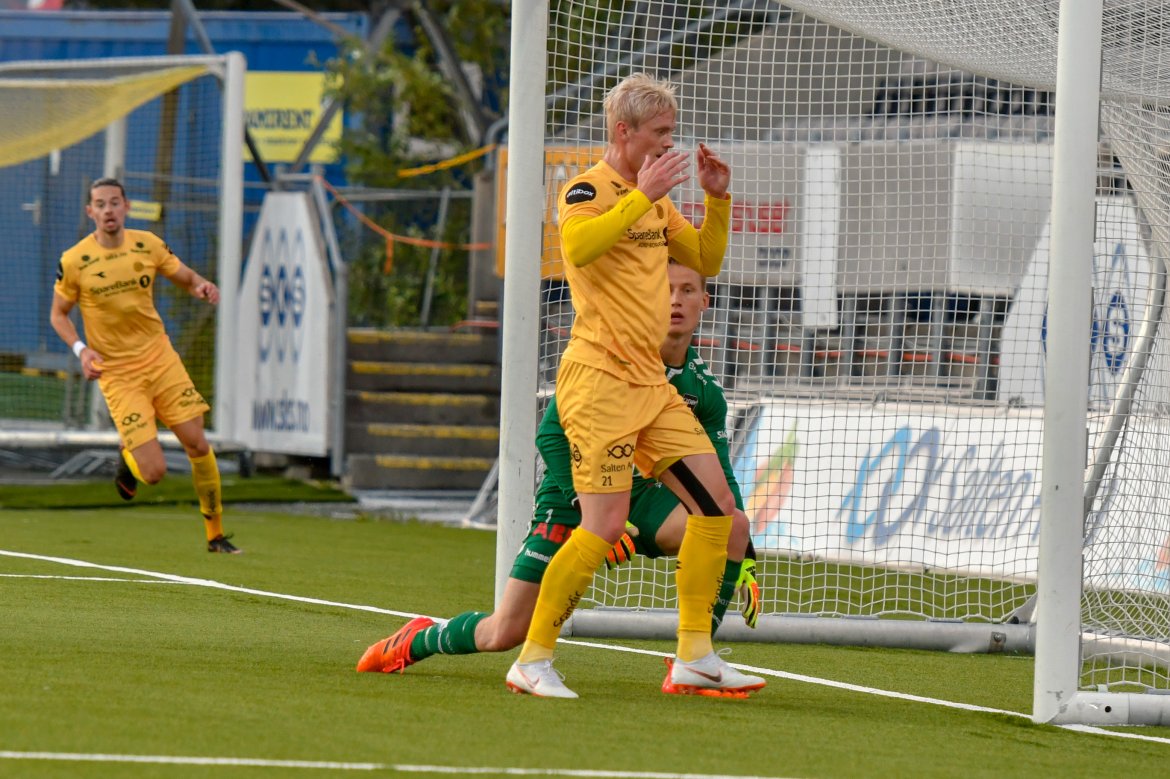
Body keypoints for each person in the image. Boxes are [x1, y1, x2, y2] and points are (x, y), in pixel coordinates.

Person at [357, 261, 761, 696]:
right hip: (573, 493)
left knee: (732, 525)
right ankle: (420, 638)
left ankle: (695, 661)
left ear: (706, 301)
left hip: (644, 498)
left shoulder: (704, 390)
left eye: (687, 291)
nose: (676, 300)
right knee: (504, 632)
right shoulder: (614, 363)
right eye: (666, 290)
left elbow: (719, 478)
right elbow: (551, 436)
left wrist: (744, 559)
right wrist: (596, 510)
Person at [511, 72, 762, 698]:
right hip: (597, 382)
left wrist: (718, 199)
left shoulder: (657, 199)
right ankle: (532, 660)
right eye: (659, 134)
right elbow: (580, 246)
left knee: (719, 510)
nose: (668, 145)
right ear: (624, 132)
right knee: (601, 525)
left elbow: (703, 260)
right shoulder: (587, 189)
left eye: (671, 133)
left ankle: (694, 656)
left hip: (649, 382)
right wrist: (637, 195)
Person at [49, 177, 240, 554]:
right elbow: (58, 315)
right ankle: (128, 459)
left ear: (126, 207)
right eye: (100, 204)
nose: (108, 210)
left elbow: (183, 276)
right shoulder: (75, 260)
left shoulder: (147, 244)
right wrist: (81, 351)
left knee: (197, 441)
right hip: (119, 374)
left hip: (160, 359)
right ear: (91, 212)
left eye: (114, 203)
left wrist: (201, 285)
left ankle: (215, 535)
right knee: (153, 474)